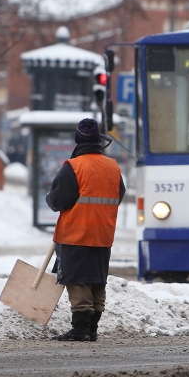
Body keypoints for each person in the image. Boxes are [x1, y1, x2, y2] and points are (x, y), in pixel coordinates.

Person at [45, 118, 125, 342]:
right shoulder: (113, 167)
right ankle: (92, 329)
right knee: (97, 280)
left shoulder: (74, 166)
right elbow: (117, 195)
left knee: (78, 279)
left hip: (76, 233)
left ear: (78, 139)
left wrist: (50, 198)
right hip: (103, 234)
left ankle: (80, 329)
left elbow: (58, 200)